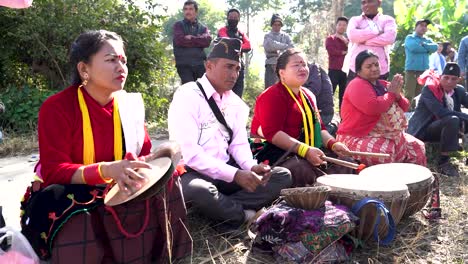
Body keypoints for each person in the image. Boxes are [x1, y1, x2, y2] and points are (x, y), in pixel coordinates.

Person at [19, 30, 191, 263]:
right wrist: (107, 170)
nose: (121, 67)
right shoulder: (57, 107)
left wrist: (159, 158)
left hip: (117, 183)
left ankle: (169, 256)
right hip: (72, 188)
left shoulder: (129, 107)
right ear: (84, 69)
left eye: (123, 60)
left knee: (168, 180)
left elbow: (142, 155)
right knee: (70, 204)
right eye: (111, 60)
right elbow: (53, 170)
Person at [168, 38, 292, 230]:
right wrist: (236, 175)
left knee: (281, 176)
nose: (234, 74)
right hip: (194, 173)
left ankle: (224, 211)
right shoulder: (188, 95)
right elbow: (191, 154)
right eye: (229, 67)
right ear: (209, 66)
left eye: (237, 69)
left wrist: (251, 167)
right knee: (199, 191)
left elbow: (239, 144)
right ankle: (243, 214)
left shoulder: (236, 103)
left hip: (227, 174)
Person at [251, 48, 353, 187]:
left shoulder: (308, 95)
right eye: (296, 65)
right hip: (276, 154)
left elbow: (320, 128)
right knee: (300, 169)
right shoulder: (271, 95)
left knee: (347, 162)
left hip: (306, 152)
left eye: (304, 64)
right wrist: (304, 150)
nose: (302, 68)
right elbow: (273, 133)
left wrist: (333, 144)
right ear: (282, 73)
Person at [336, 50, 426, 166]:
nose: (374, 69)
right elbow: (373, 107)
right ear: (358, 71)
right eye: (369, 66)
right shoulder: (356, 84)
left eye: (376, 65)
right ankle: (390, 183)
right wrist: (392, 94)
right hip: (357, 136)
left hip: (386, 135)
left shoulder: (383, 84)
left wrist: (397, 95)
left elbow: (405, 106)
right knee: (384, 154)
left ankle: (415, 183)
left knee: (417, 147)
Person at [408, 63, 466, 176]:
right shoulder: (430, 89)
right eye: (446, 78)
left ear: (458, 80)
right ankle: (443, 163)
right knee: (453, 119)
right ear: (440, 77)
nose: (449, 81)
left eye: (453, 79)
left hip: (442, 126)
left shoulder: (459, 91)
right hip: (425, 129)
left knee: (458, 119)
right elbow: (441, 113)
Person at [346, 0, 397, 83]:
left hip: (379, 69)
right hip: (356, 68)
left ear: (379, 3)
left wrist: (363, 40)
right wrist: (376, 31)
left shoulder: (388, 20)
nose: (366, 5)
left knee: (378, 95)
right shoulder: (355, 20)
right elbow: (352, 36)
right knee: (354, 94)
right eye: (363, 3)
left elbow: (389, 38)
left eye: (370, 1)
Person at [172, 0, 212, 84]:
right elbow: (180, 41)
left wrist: (191, 38)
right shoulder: (178, 25)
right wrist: (199, 40)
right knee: (189, 90)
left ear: (196, 11)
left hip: (200, 65)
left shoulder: (203, 28)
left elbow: (207, 41)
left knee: (202, 90)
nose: (187, 11)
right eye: (185, 9)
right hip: (184, 65)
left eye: (190, 9)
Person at [217, 8, 251, 98]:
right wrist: (239, 44)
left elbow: (248, 46)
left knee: (238, 95)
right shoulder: (222, 30)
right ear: (227, 18)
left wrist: (236, 46)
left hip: (239, 67)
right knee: (224, 94)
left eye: (235, 17)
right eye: (231, 17)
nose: (233, 19)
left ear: (239, 19)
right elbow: (227, 42)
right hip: (225, 66)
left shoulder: (241, 33)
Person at [404, 19, 438, 104]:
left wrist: (424, 45)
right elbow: (414, 48)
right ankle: (406, 112)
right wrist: (427, 49)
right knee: (409, 93)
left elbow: (435, 47)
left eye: (425, 26)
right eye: (421, 25)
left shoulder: (427, 40)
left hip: (424, 72)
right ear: (416, 27)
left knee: (420, 94)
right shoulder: (410, 38)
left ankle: (417, 112)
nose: (424, 27)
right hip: (412, 70)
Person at [303, 62, 337, 135]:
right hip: (313, 112)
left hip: (323, 113)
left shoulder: (313, 68)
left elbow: (314, 90)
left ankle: (331, 127)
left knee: (311, 137)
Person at [264, 14, 294, 88]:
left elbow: (292, 48)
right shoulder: (268, 36)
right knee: (270, 88)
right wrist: (284, 46)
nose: (277, 26)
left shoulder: (286, 36)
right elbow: (269, 46)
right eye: (275, 24)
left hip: (284, 65)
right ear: (272, 25)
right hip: (271, 64)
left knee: (284, 87)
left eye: (279, 25)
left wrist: (279, 48)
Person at [325, 16, 349, 109]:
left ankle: (343, 118)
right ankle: (326, 116)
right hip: (334, 70)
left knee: (344, 96)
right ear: (336, 26)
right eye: (340, 24)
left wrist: (347, 45)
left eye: (344, 25)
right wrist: (344, 52)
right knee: (329, 93)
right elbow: (331, 51)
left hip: (345, 71)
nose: (342, 27)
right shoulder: (330, 39)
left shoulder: (348, 41)